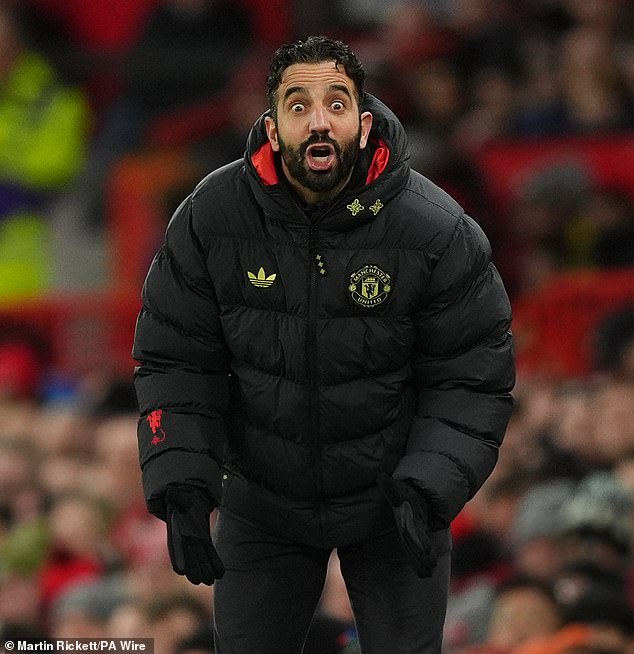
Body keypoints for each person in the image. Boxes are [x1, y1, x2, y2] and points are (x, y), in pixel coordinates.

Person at [132, 36, 515, 654]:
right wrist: (181, 480)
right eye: (298, 105)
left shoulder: (437, 229)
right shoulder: (210, 218)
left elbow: (472, 374)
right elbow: (177, 360)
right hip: (263, 503)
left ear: (363, 125)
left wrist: (430, 484)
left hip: (394, 505)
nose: (318, 121)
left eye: (336, 104)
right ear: (272, 125)